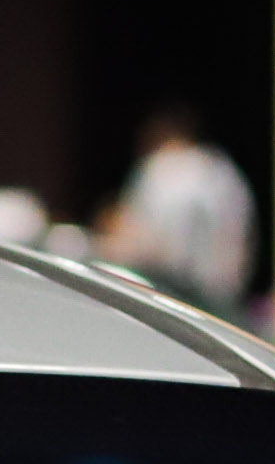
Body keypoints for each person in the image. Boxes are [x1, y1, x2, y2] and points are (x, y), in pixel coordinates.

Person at [95, 106, 258, 316]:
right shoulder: (224, 171)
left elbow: (147, 245)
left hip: (173, 293)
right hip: (225, 296)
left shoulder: (161, 168)